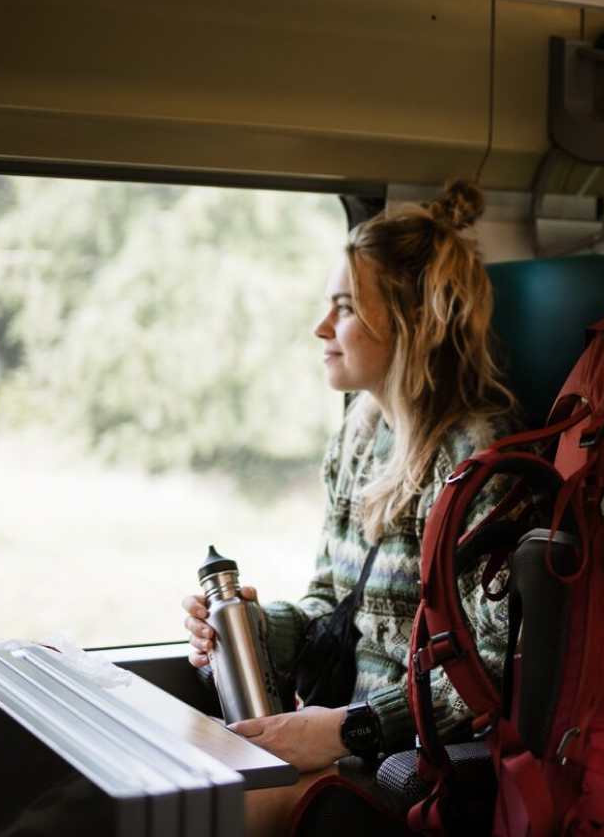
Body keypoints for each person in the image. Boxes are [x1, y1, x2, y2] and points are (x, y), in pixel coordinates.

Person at [180, 179, 518, 833]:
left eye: (344, 308)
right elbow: (328, 603)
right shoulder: (359, 439)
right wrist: (248, 629)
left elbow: (488, 673)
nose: (321, 328)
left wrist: (344, 729)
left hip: (404, 763)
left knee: (205, 809)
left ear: (413, 321)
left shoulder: (476, 461)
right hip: (341, 737)